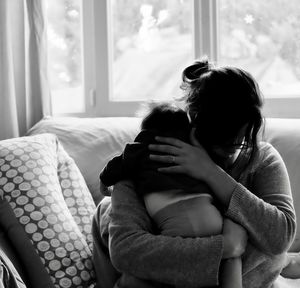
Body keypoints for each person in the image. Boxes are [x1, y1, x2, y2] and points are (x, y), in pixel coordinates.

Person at [92, 57, 297, 288]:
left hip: (191, 277)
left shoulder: (262, 158)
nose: (230, 154)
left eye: (239, 142)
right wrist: (226, 247)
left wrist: (211, 172)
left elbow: (280, 237)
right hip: (223, 273)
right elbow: (126, 251)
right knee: (106, 213)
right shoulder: (154, 157)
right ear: (194, 122)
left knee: (271, 250)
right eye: (221, 142)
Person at [99, 102, 242, 287]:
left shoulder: (140, 148)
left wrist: (104, 187)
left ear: (145, 129)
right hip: (212, 217)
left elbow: (114, 168)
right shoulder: (194, 151)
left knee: (171, 265)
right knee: (231, 259)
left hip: (175, 223)